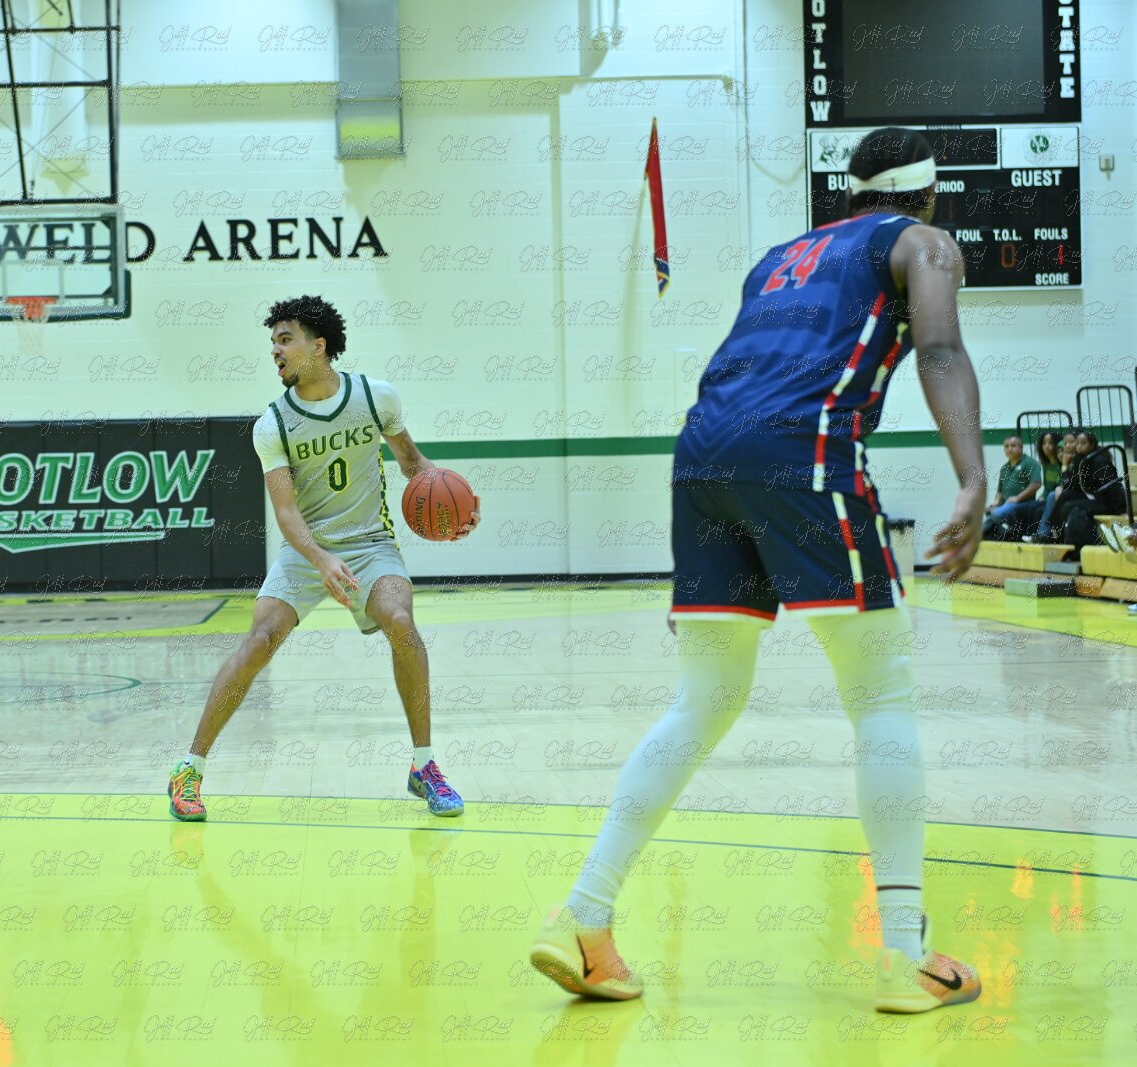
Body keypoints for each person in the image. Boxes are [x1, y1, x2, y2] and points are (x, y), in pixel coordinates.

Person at [530, 128, 986, 1014]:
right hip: (802, 454)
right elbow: (939, 350)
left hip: (701, 460)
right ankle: (906, 955)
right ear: (928, 195)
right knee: (881, 696)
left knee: (702, 699)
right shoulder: (925, 242)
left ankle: (584, 914)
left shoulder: (779, 258)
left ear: (850, 193)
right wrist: (972, 474)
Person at [165, 295, 480, 822]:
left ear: (319, 346)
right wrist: (320, 559)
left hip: (371, 544)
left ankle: (424, 766)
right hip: (306, 549)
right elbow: (286, 513)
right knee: (260, 640)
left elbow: (413, 464)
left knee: (402, 623)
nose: (275, 350)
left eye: (285, 339)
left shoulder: (376, 397)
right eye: (272, 342)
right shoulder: (273, 425)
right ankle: (189, 769)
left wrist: (458, 506)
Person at [980, 435, 1041, 540]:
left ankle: (980, 534)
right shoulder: (1004, 468)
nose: (1009, 449)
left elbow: (1036, 484)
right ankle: (985, 534)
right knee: (989, 510)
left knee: (997, 513)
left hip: (1022, 503)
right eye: (1006, 446)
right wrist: (995, 503)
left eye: (1013, 445)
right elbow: (999, 491)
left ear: (1021, 447)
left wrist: (1017, 498)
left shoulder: (1030, 463)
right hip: (1005, 504)